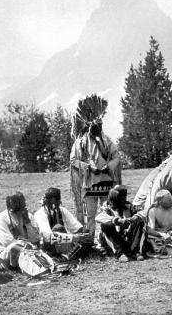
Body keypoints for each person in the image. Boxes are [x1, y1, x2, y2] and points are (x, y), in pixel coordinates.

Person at [70, 95, 121, 238]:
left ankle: (109, 239)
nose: (97, 130)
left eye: (100, 127)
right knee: (91, 215)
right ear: (89, 128)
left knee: (108, 212)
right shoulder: (80, 143)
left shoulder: (107, 141)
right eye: (95, 128)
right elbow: (73, 160)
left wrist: (109, 166)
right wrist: (88, 167)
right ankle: (90, 240)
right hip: (90, 183)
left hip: (105, 183)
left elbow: (117, 157)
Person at [33, 187, 92, 259]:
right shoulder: (40, 214)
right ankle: (66, 254)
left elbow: (76, 227)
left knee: (85, 234)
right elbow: (48, 237)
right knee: (58, 228)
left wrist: (83, 235)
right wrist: (73, 238)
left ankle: (70, 253)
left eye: (56, 202)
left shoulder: (62, 210)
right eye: (51, 202)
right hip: (48, 245)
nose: (54, 205)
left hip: (65, 241)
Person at [95, 185, 144, 262]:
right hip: (113, 239)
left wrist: (132, 219)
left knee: (139, 221)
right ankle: (119, 253)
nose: (124, 199)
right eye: (121, 198)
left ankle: (134, 251)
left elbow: (141, 213)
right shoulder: (107, 207)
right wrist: (116, 220)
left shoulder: (128, 206)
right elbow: (98, 217)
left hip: (126, 237)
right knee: (106, 225)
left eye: (124, 197)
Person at [0, 193, 39, 269]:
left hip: (28, 248)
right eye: (17, 205)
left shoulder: (28, 216)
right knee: (14, 247)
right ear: (10, 207)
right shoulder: (1, 218)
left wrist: (28, 222)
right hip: (7, 249)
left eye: (22, 205)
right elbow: (7, 242)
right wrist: (25, 244)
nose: (22, 209)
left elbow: (35, 238)